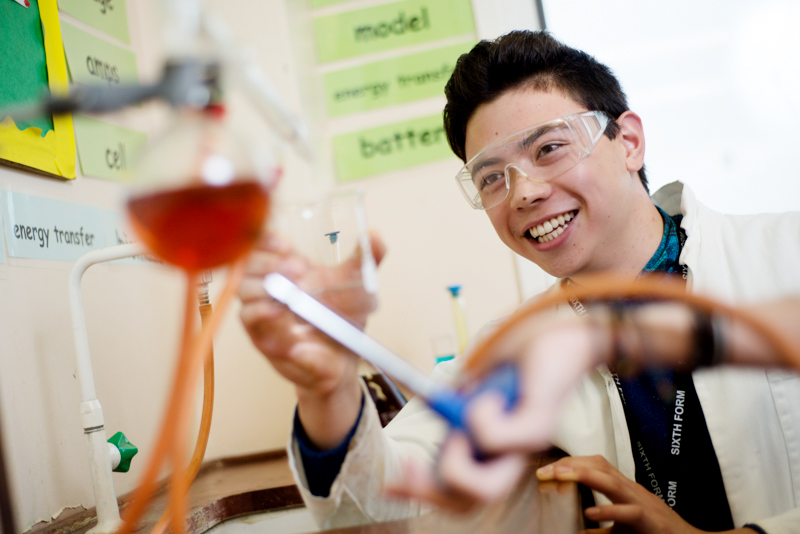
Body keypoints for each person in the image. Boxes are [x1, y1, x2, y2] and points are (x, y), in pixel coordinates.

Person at [238, 30, 800, 533]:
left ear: (628, 142)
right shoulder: (512, 350)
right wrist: (328, 388)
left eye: (549, 148)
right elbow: (365, 504)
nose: (523, 192)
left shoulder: (785, 255)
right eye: (491, 177)